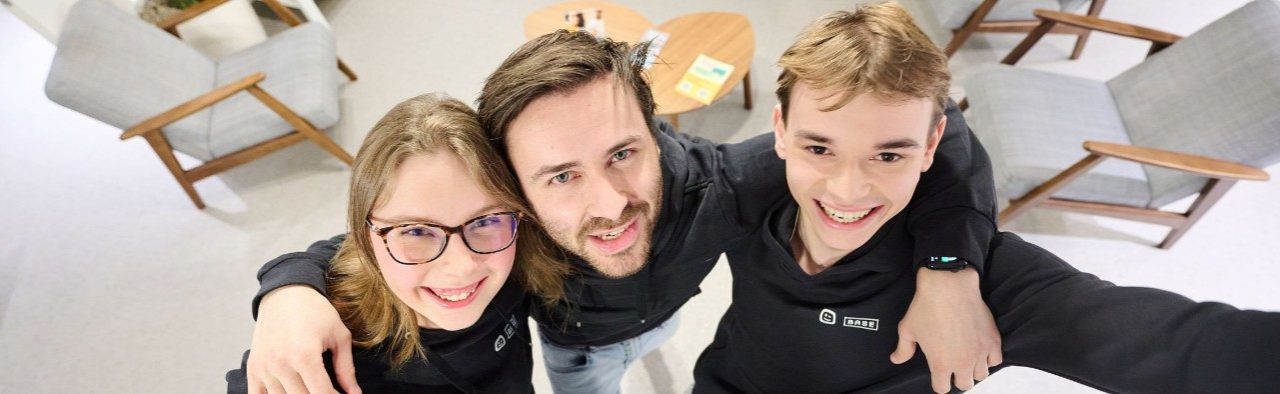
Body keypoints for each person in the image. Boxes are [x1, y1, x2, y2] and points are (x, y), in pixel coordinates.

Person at [244, 30, 1003, 393]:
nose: (609, 207)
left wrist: (949, 269)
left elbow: (942, 132)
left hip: (670, 320)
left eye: (622, 154)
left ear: (656, 128)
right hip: (574, 355)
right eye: (560, 175)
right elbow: (393, 235)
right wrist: (289, 290)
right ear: (514, 190)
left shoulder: (725, 184)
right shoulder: (499, 232)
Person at [690, 3, 1280, 393]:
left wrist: (949, 267)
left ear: (931, 146)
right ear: (780, 131)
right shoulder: (748, 202)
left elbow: (1179, 347)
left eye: (889, 156)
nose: (847, 190)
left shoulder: (992, 281)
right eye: (820, 148)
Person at [226, 94, 569, 393]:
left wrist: (287, 285)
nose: (462, 266)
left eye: (485, 221)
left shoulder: (517, 249)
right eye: (416, 232)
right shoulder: (326, 349)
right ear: (366, 235)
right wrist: (285, 294)